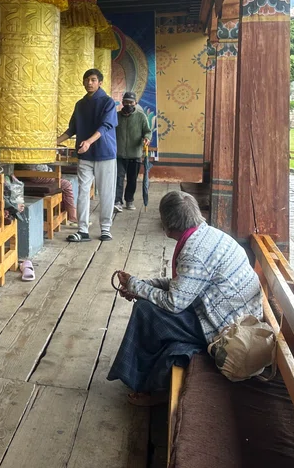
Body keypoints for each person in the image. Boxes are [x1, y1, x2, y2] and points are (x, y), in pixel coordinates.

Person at [107, 191, 263, 405]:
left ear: (168, 223)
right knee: (148, 303)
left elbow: (174, 302)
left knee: (146, 310)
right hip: (234, 315)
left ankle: (146, 383)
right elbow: (184, 285)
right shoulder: (207, 235)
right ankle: (146, 378)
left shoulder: (194, 253)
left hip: (227, 330)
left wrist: (137, 288)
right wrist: (142, 285)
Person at [57, 68, 119, 242]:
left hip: (105, 153)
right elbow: (72, 129)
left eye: (93, 80)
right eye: (86, 80)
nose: (89, 83)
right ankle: (82, 230)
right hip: (85, 155)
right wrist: (55, 140)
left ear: (100, 82)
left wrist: (89, 141)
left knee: (106, 192)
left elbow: (106, 126)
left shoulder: (108, 102)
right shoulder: (80, 104)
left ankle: (105, 228)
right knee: (83, 192)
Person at [114, 92, 151, 212]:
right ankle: (117, 201)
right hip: (119, 154)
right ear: (122, 102)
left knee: (132, 179)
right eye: (126, 102)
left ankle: (129, 200)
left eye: (131, 102)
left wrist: (147, 138)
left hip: (135, 154)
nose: (128, 104)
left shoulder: (141, 117)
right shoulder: (116, 116)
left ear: (135, 103)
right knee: (118, 179)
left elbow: (147, 131)